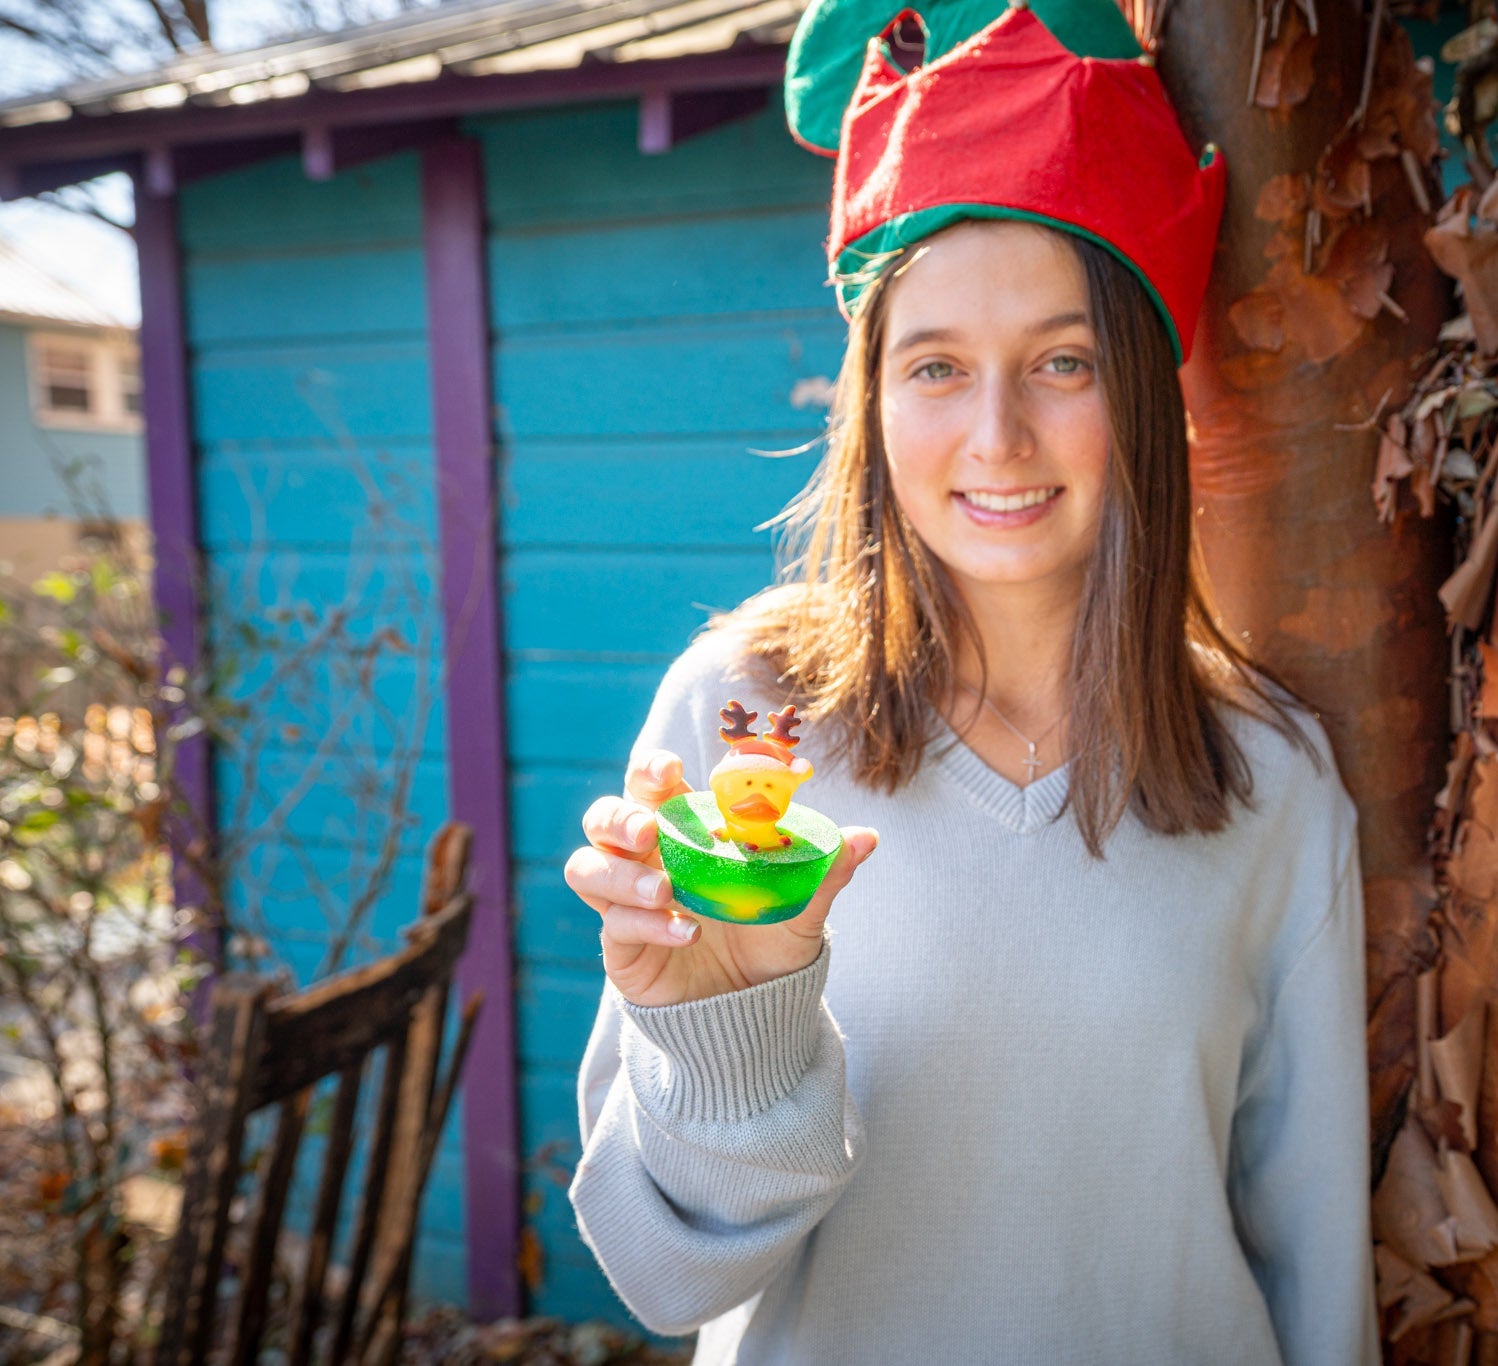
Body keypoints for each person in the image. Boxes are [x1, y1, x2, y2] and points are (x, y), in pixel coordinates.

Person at [563, 1, 1377, 1361]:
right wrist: (733, 1022)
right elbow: (663, 1277)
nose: (997, 436)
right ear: (872, 404)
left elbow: (1316, 1267)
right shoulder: (742, 721)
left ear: (1141, 393)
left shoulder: (1272, 783)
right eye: (936, 366)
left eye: (1062, 362)